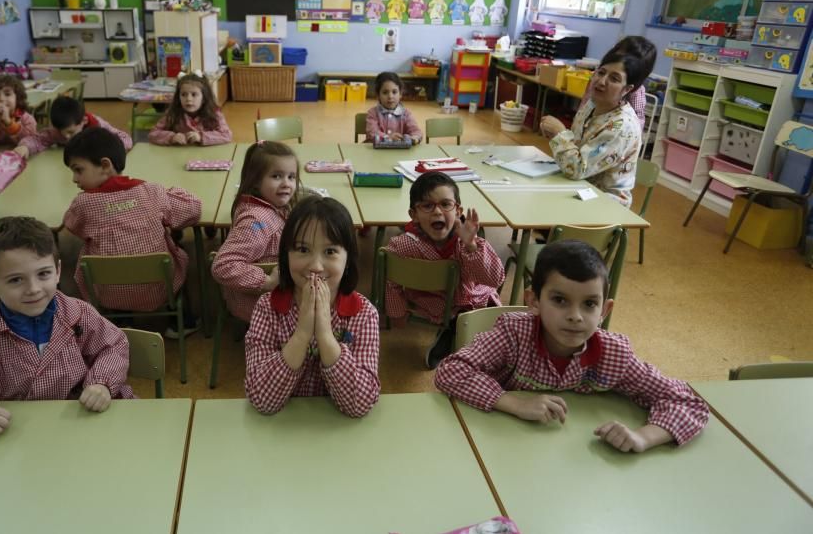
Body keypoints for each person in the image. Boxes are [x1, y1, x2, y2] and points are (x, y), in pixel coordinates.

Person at [435, 240, 709, 453]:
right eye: (560, 300)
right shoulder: (513, 334)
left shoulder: (613, 354)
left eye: (589, 304)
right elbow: (451, 371)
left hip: (571, 456)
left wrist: (642, 437)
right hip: (499, 443)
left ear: (605, 309)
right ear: (533, 301)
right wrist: (516, 403)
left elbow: (687, 402)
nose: (575, 316)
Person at [0, 216, 134, 438]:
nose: (33, 289)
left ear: (57, 272)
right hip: (15, 437)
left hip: (82, 426)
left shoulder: (79, 314)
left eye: (43, 274)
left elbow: (114, 345)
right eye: (16, 280)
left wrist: (102, 383)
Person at [244, 196, 380, 418]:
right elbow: (262, 400)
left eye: (330, 252)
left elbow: (360, 405)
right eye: (302, 249)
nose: (315, 266)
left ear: (348, 260)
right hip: (281, 427)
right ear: (285, 256)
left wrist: (325, 335)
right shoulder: (267, 308)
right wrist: (302, 333)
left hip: (336, 430)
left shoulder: (363, 313)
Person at [61, 127, 202, 337]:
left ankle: (122, 320)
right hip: (159, 289)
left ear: (105, 166)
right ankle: (183, 323)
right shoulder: (151, 192)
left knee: (104, 255)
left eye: (78, 170)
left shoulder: (83, 204)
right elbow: (193, 210)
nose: (74, 178)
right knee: (176, 251)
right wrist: (170, 193)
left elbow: (73, 227)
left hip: (107, 292)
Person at [384, 172, 505, 368]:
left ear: (458, 211)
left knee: (498, 331)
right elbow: (393, 279)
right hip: (436, 303)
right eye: (427, 205)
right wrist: (396, 313)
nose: (437, 212)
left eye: (445, 204)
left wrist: (472, 246)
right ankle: (453, 331)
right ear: (413, 214)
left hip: (473, 299)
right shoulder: (404, 245)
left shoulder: (467, 242)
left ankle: (455, 332)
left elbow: (495, 279)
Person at [539, 39, 656, 207]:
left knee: (541, 209)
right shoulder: (592, 104)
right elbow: (578, 146)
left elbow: (578, 168)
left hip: (603, 203)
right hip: (579, 186)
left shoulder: (621, 126)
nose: (601, 81)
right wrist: (557, 136)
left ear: (628, 89)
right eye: (601, 73)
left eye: (614, 79)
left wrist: (560, 134)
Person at [212, 141, 298, 322]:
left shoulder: (265, 203)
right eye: (276, 176)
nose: (286, 184)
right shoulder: (257, 223)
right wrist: (267, 283)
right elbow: (223, 265)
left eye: (291, 177)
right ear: (256, 180)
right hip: (261, 306)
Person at [14, 96, 131, 158]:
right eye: (62, 132)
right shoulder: (57, 131)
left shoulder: (98, 128)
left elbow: (124, 137)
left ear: (83, 121)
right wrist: (25, 147)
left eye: (71, 132)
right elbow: (37, 139)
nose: (66, 136)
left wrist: (109, 150)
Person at [577, 36, 654, 127]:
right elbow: (586, 99)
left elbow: (637, 120)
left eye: (614, 79)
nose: (602, 82)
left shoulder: (635, 92)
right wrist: (579, 118)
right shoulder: (599, 73)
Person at [148, 72, 232, 145]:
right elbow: (153, 134)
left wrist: (201, 136)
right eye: (184, 94)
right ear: (178, 97)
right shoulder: (173, 113)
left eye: (194, 94)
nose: (188, 99)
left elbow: (227, 135)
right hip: (179, 155)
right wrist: (171, 137)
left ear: (204, 98)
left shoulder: (214, 113)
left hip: (206, 157)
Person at [365, 72, 422, 144]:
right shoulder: (373, 113)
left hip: (399, 153)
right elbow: (372, 133)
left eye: (394, 92)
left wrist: (414, 138)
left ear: (400, 94)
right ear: (378, 95)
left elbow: (416, 131)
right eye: (385, 92)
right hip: (376, 153)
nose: (390, 96)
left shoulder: (406, 114)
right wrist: (388, 137)